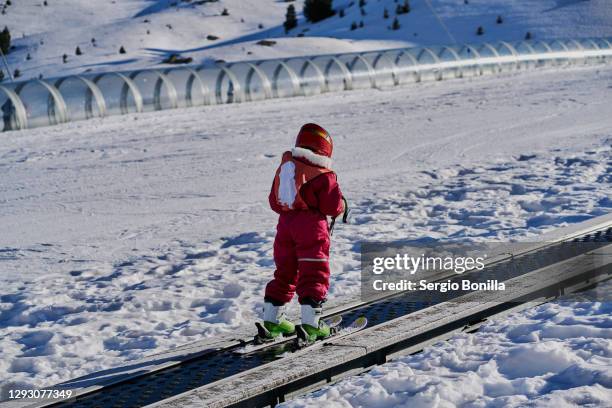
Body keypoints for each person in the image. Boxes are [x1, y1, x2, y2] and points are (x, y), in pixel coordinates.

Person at [261, 123, 345, 341]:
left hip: (285, 227)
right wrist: (342, 206)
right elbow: (332, 206)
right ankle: (311, 324)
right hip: (311, 229)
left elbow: (274, 201)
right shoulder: (323, 175)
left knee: (285, 273)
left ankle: (272, 320)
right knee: (313, 273)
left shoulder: (286, 168)